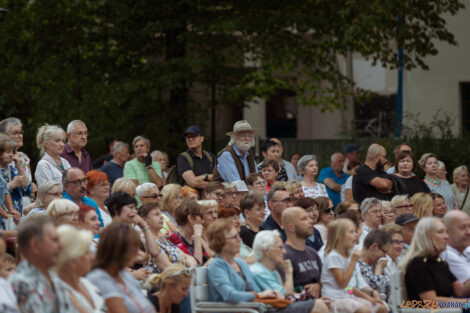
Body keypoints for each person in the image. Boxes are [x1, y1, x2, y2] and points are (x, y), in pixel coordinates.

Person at [207, 218, 329, 313]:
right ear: (221, 242)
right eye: (234, 237)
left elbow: (255, 289)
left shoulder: (240, 263)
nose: (240, 240)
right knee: (318, 305)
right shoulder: (217, 265)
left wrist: (272, 294)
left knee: (323, 304)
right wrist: (260, 295)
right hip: (241, 310)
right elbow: (229, 295)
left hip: (256, 309)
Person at [9, 215, 77, 313]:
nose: (61, 246)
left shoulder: (54, 277)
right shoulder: (22, 283)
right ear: (36, 245)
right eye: (55, 240)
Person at [87, 222, 156, 313]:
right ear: (120, 249)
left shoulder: (124, 274)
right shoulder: (100, 279)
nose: (137, 252)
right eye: (134, 247)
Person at [321, 218, 387, 313]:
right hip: (335, 299)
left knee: (381, 308)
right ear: (339, 236)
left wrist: (369, 299)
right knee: (364, 311)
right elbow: (342, 284)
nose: (355, 235)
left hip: (348, 295)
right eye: (351, 232)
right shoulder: (333, 256)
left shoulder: (348, 256)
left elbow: (350, 288)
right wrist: (353, 262)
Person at [399, 217, 467, 302]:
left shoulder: (440, 262)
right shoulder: (418, 265)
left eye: (446, 232)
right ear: (426, 237)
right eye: (440, 232)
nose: (446, 236)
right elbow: (431, 302)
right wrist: (465, 304)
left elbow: (461, 291)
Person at [56, 225, 106, 313]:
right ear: (72, 259)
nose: (92, 257)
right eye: (87, 252)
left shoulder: (86, 283)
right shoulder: (60, 295)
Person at [138, 203, 198, 268]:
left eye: (160, 214)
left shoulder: (163, 239)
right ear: (144, 220)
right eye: (156, 214)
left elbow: (187, 257)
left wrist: (192, 268)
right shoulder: (144, 239)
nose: (162, 217)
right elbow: (167, 266)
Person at [282, 207, 323, 298]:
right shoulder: (284, 255)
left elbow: (324, 280)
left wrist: (318, 286)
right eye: (304, 219)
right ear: (290, 227)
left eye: (309, 218)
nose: (311, 221)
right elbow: (283, 291)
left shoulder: (312, 253)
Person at [0, 117, 35, 207]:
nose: (20, 136)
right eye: (15, 133)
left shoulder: (24, 157)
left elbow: (29, 191)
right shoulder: (3, 159)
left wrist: (30, 186)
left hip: (23, 206)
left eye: (21, 132)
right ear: (4, 136)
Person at [167, 199, 208, 264]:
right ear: (190, 218)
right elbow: (196, 265)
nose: (202, 221)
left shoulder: (193, 237)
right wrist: (197, 237)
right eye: (201, 216)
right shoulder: (174, 239)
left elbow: (212, 257)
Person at [177, 125, 215, 190]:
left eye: (194, 136)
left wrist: (200, 178)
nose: (190, 139)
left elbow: (218, 178)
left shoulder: (210, 156)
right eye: (188, 137)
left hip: (212, 197)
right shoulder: (183, 158)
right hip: (193, 198)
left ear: (202, 138)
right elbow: (193, 183)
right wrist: (207, 176)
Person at [441, 211, 470, 293]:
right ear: (447, 231)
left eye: (469, 227)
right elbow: (463, 290)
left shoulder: (465, 248)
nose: (468, 232)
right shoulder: (446, 254)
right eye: (462, 228)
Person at [357, 230, 392, 298]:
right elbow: (379, 289)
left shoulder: (374, 264)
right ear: (374, 247)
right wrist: (379, 268)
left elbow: (390, 285)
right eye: (384, 252)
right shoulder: (357, 264)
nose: (385, 256)